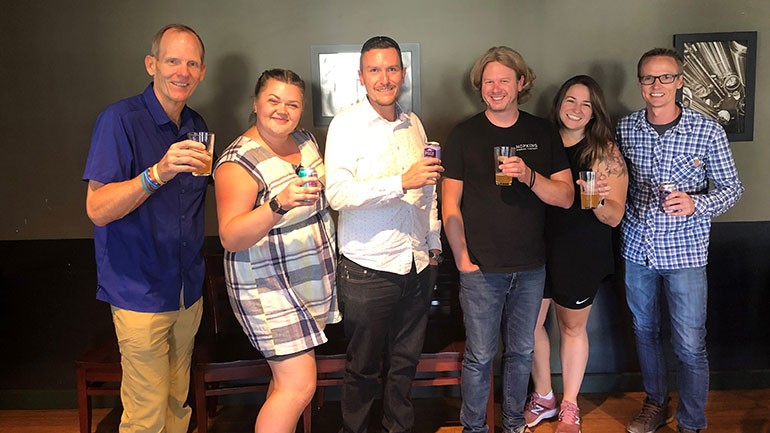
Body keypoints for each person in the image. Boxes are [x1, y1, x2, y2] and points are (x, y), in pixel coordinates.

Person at [83, 24, 210, 433]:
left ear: (202, 72)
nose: (182, 71)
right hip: (139, 290)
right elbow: (98, 209)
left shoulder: (196, 124)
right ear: (151, 64)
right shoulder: (118, 120)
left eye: (192, 63)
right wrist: (157, 173)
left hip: (186, 291)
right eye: (173, 60)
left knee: (177, 403)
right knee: (146, 415)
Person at [442, 46, 574, 433]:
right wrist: (463, 259)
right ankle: (474, 429)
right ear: (479, 87)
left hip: (531, 267)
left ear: (521, 83)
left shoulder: (542, 132)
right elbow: (449, 203)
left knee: (521, 353)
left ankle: (514, 424)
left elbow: (566, 198)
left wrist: (529, 176)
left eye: (504, 80)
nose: (495, 88)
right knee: (480, 357)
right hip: (480, 268)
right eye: (488, 81)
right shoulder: (464, 135)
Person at [617, 48, 743, 433]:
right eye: (649, 78)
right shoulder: (626, 129)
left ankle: (691, 422)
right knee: (645, 332)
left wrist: (695, 203)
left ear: (680, 81)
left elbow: (732, 188)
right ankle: (656, 404)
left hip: (686, 253)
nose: (657, 86)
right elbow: (615, 180)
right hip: (637, 248)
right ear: (640, 84)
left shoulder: (708, 131)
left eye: (665, 77)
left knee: (690, 343)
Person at [324, 35, 443, 433]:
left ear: (403, 73)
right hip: (367, 269)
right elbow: (337, 194)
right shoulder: (346, 125)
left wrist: (433, 242)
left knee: (404, 364)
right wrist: (399, 182)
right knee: (362, 368)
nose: (384, 77)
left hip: (417, 264)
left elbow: (427, 189)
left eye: (392, 68)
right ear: (361, 77)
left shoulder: (414, 124)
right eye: (375, 70)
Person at [213, 69, 340, 433]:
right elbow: (231, 236)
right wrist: (277, 204)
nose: (282, 110)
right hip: (266, 284)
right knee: (299, 386)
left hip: (310, 279)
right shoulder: (238, 161)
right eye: (273, 100)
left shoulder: (305, 140)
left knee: (286, 385)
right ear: (255, 104)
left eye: (292, 103)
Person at [526, 75, 628, 433]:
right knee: (529, 325)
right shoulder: (539, 142)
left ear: (594, 112)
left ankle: (570, 405)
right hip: (535, 247)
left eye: (586, 104)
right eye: (571, 100)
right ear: (559, 104)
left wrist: (597, 198)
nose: (577, 109)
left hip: (581, 250)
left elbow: (614, 216)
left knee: (571, 328)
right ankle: (543, 397)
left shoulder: (605, 152)